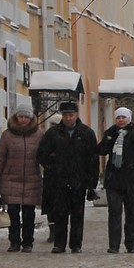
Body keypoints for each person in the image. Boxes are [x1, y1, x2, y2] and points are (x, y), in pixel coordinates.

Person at [36, 101, 98, 253]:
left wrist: (91, 182)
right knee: (60, 214)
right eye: (65, 115)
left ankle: (76, 244)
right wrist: (53, 166)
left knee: (77, 215)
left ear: (76, 115)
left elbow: (92, 159)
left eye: (71, 115)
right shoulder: (53, 133)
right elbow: (41, 155)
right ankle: (59, 243)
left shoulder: (86, 133)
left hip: (79, 180)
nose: (68, 118)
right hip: (59, 181)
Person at [96, 107, 134, 254]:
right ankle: (114, 245)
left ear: (129, 119)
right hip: (115, 180)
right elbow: (101, 150)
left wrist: (133, 133)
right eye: (118, 118)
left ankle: (131, 244)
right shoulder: (111, 133)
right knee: (114, 213)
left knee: (132, 213)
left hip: (133, 180)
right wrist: (108, 138)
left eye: (124, 117)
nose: (121, 120)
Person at [0, 104, 44, 253]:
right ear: (16, 117)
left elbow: (44, 155)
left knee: (29, 213)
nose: (23, 120)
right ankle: (14, 241)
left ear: (31, 118)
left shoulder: (39, 135)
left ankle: (28, 242)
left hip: (31, 178)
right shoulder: (7, 135)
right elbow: (0, 156)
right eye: (20, 116)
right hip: (10, 179)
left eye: (26, 117)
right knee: (13, 213)